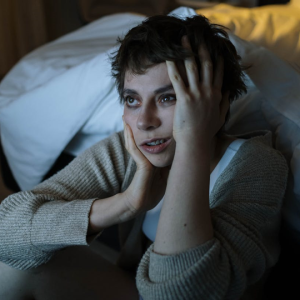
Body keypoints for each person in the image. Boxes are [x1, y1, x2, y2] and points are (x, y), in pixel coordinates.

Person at [0, 15, 288, 300]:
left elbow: (175, 295)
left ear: (217, 101)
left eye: (168, 98)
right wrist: (125, 204)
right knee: (15, 267)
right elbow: (6, 233)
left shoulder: (258, 165)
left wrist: (192, 142)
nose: (144, 122)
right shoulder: (132, 150)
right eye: (132, 100)